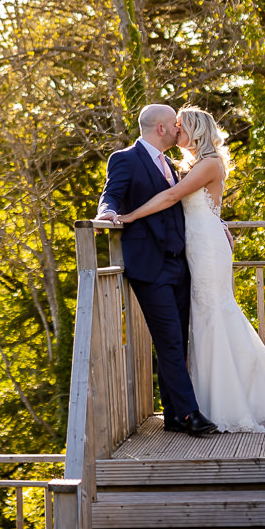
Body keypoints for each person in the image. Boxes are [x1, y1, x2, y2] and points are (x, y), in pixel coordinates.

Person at [113, 106, 265, 434]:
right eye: (174, 126)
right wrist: (219, 222)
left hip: (205, 249)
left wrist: (130, 217)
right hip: (196, 245)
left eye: (181, 126)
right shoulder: (188, 165)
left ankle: (230, 403)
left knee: (214, 316)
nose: (176, 131)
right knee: (202, 322)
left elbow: (173, 196)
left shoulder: (208, 164)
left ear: (195, 131)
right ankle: (197, 405)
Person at [97, 104, 214, 437]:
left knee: (176, 339)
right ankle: (191, 415)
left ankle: (174, 414)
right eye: (175, 125)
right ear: (161, 129)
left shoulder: (172, 166)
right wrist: (107, 213)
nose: (180, 130)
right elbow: (112, 195)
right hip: (149, 266)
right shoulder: (125, 159)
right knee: (170, 342)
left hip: (181, 265)